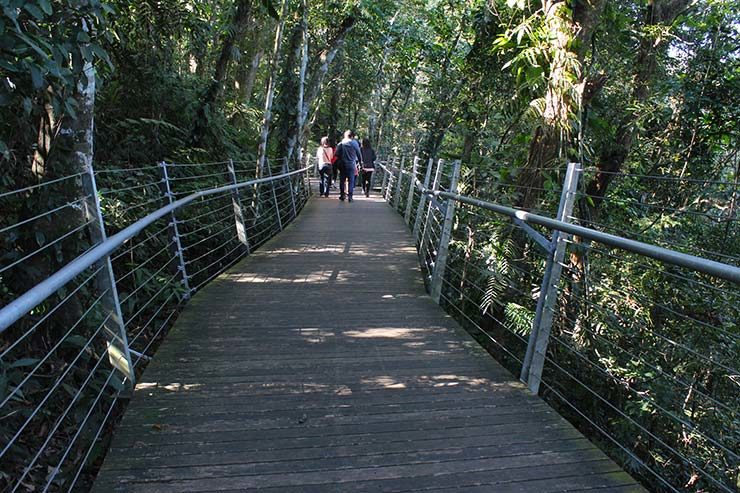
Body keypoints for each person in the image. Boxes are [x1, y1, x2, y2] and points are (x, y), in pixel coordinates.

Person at [335, 130, 362, 202]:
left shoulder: (341, 143)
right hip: (351, 164)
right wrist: (360, 162)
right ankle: (350, 196)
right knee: (351, 180)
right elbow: (359, 154)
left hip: (342, 164)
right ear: (352, 136)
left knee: (342, 180)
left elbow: (336, 154)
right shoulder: (355, 143)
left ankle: (342, 195)